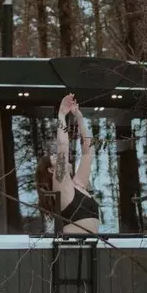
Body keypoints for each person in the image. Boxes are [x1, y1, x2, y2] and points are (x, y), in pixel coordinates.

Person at [35, 94, 100, 234]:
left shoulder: (79, 184)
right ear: (52, 170)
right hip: (71, 251)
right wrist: (61, 115)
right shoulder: (60, 183)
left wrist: (80, 118)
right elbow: (63, 145)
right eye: (55, 158)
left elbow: (88, 152)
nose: (59, 158)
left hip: (93, 249)